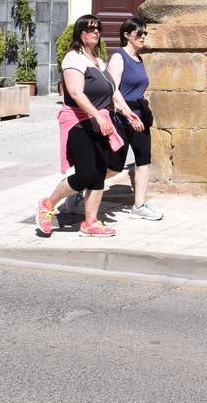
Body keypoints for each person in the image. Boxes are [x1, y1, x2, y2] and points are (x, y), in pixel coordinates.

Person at [35, 15, 142, 238]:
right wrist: (98, 116)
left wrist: (126, 111)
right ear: (80, 33)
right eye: (89, 28)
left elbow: (112, 92)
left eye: (98, 29)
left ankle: (90, 222)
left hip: (99, 121)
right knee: (84, 174)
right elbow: (75, 92)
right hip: (79, 122)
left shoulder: (98, 61)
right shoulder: (73, 59)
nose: (95, 32)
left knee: (98, 174)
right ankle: (48, 204)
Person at [105, 17, 162, 221]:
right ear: (127, 35)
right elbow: (113, 91)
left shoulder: (139, 59)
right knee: (114, 166)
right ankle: (81, 187)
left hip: (140, 116)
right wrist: (128, 114)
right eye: (139, 33)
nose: (143, 36)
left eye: (145, 33)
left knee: (143, 160)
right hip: (122, 117)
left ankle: (139, 205)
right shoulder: (118, 58)